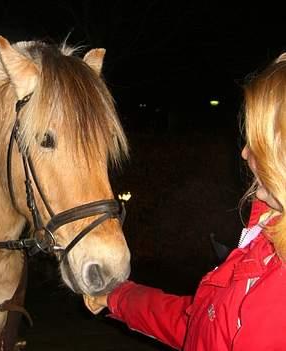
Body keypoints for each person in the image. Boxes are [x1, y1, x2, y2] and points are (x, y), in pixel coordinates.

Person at [84, 52, 286, 350]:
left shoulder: (275, 294)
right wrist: (118, 297)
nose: (244, 153)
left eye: (258, 142)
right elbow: (199, 325)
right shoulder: (264, 246)